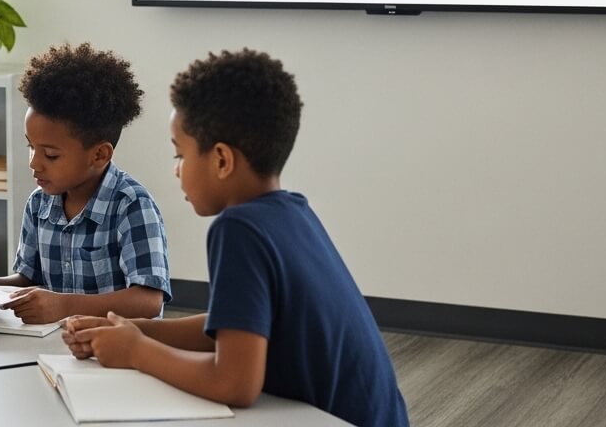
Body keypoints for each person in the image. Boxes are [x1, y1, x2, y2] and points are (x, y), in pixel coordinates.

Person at [63, 50, 409, 427]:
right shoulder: (293, 212)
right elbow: (236, 325)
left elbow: (235, 383)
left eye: (179, 154)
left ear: (222, 160)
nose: (176, 171)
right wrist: (137, 331)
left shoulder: (238, 229)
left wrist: (137, 351)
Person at [0, 43, 170, 324]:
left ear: (99, 155)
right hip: (56, 344)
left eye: (51, 155)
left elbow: (148, 301)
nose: (34, 163)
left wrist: (64, 305)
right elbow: (27, 279)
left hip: (119, 349)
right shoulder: (39, 203)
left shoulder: (132, 206)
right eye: (31, 147)